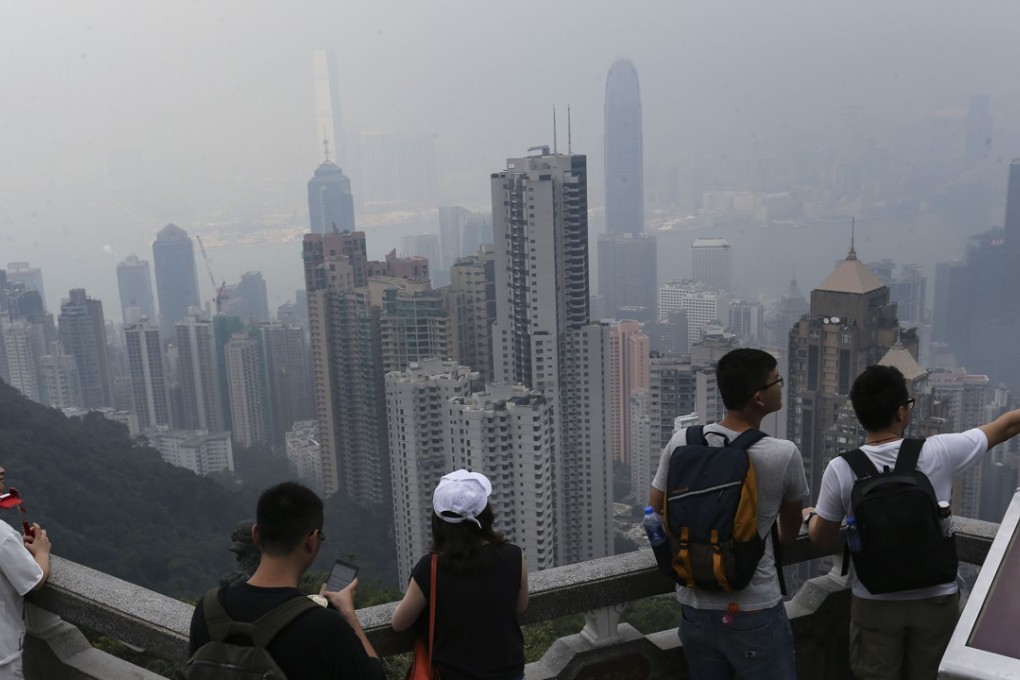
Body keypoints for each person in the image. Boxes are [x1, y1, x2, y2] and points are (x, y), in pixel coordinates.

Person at [806, 364, 1020, 680]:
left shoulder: (840, 468)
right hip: (935, 599)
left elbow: (822, 540)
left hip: (875, 602)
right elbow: (1005, 427)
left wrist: (811, 517)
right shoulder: (938, 451)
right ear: (901, 412)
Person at [649, 348, 808, 680]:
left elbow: (656, 507)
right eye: (776, 380)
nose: (780, 385)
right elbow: (791, 526)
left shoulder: (683, 441)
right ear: (758, 399)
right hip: (754, 610)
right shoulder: (782, 453)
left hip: (695, 607)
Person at [188, 482, 384, 679]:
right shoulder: (324, 626)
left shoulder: (208, 609)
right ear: (312, 540)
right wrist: (350, 616)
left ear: (256, 535)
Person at [392, 469, 528, 680]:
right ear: (485, 514)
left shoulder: (431, 567)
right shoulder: (514, 556)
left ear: (439, 521)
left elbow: (399, 623)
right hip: (508, 672)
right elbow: (520, 606)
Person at [0, 464, 51, 680]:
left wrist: (17, 550)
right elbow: (35, 579)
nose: (2, 471)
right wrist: (41, 552)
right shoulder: (1, 535)